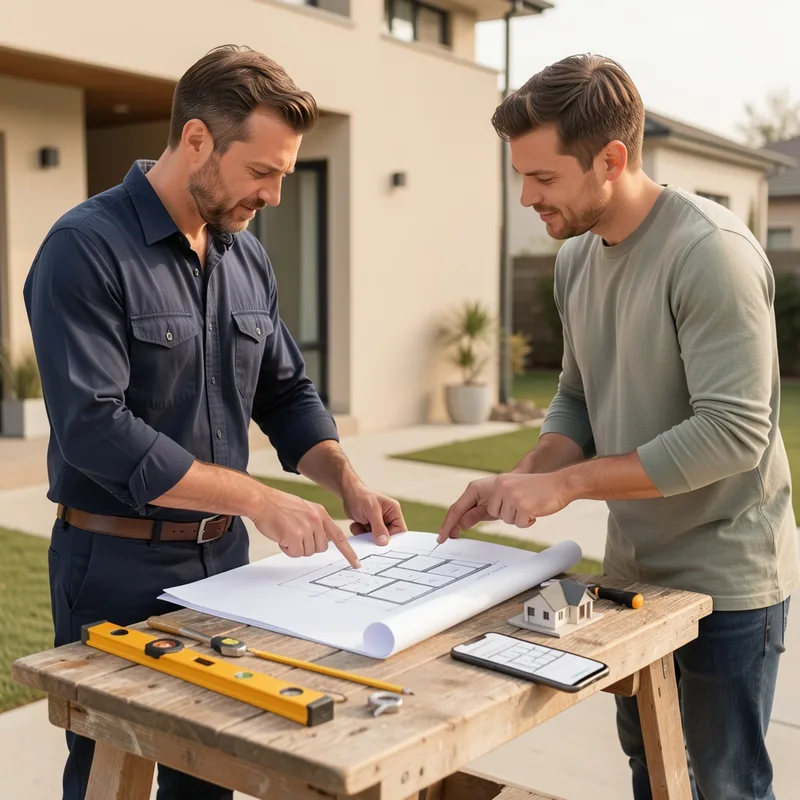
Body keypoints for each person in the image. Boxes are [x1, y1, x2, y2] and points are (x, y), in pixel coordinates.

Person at [24, 44, 407, 800]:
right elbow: (95, 427)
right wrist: (259, 500)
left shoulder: (246, 259)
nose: (274, 195)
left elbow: (286, 393)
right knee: (110, 774)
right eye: (261, 171)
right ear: (196, 139)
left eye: (284, 175)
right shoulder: (84, 248)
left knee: (210, 776)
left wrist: (347, 481)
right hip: (114, 566)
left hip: (226, 565)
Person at [439, 54, 799, 800]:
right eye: (521, 176)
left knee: (724, 785)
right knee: (652, 767)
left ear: (610, 159)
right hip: (634, 572)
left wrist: (571, 483)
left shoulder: (710, 253)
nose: (526, 197)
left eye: (543, 177)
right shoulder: (575, 260)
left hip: (727, 581)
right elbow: (577, 397)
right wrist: (526, 478)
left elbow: (733, 433)